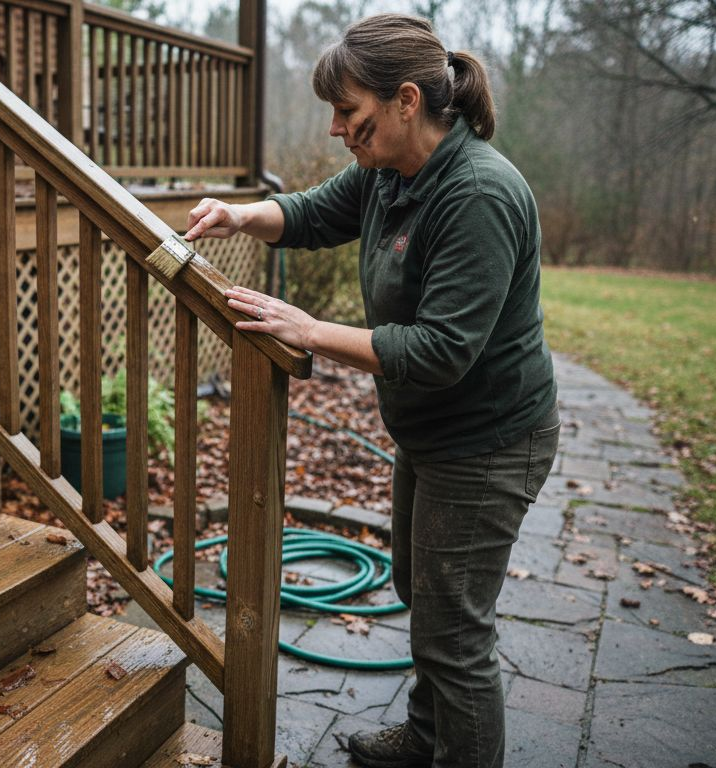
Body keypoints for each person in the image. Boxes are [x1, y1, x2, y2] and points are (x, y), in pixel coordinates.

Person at [184, 13, 560, 768]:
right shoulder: (391, 172)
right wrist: (238, 215)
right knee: (423, 599)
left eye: (348, 112)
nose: (335, 129)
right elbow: (313, 212)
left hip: (489, 442)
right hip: (431, 434)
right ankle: (426, 739)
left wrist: (308, 329)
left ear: (407, 101)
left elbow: (443, 350)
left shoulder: (478, 194)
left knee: (454, 638)